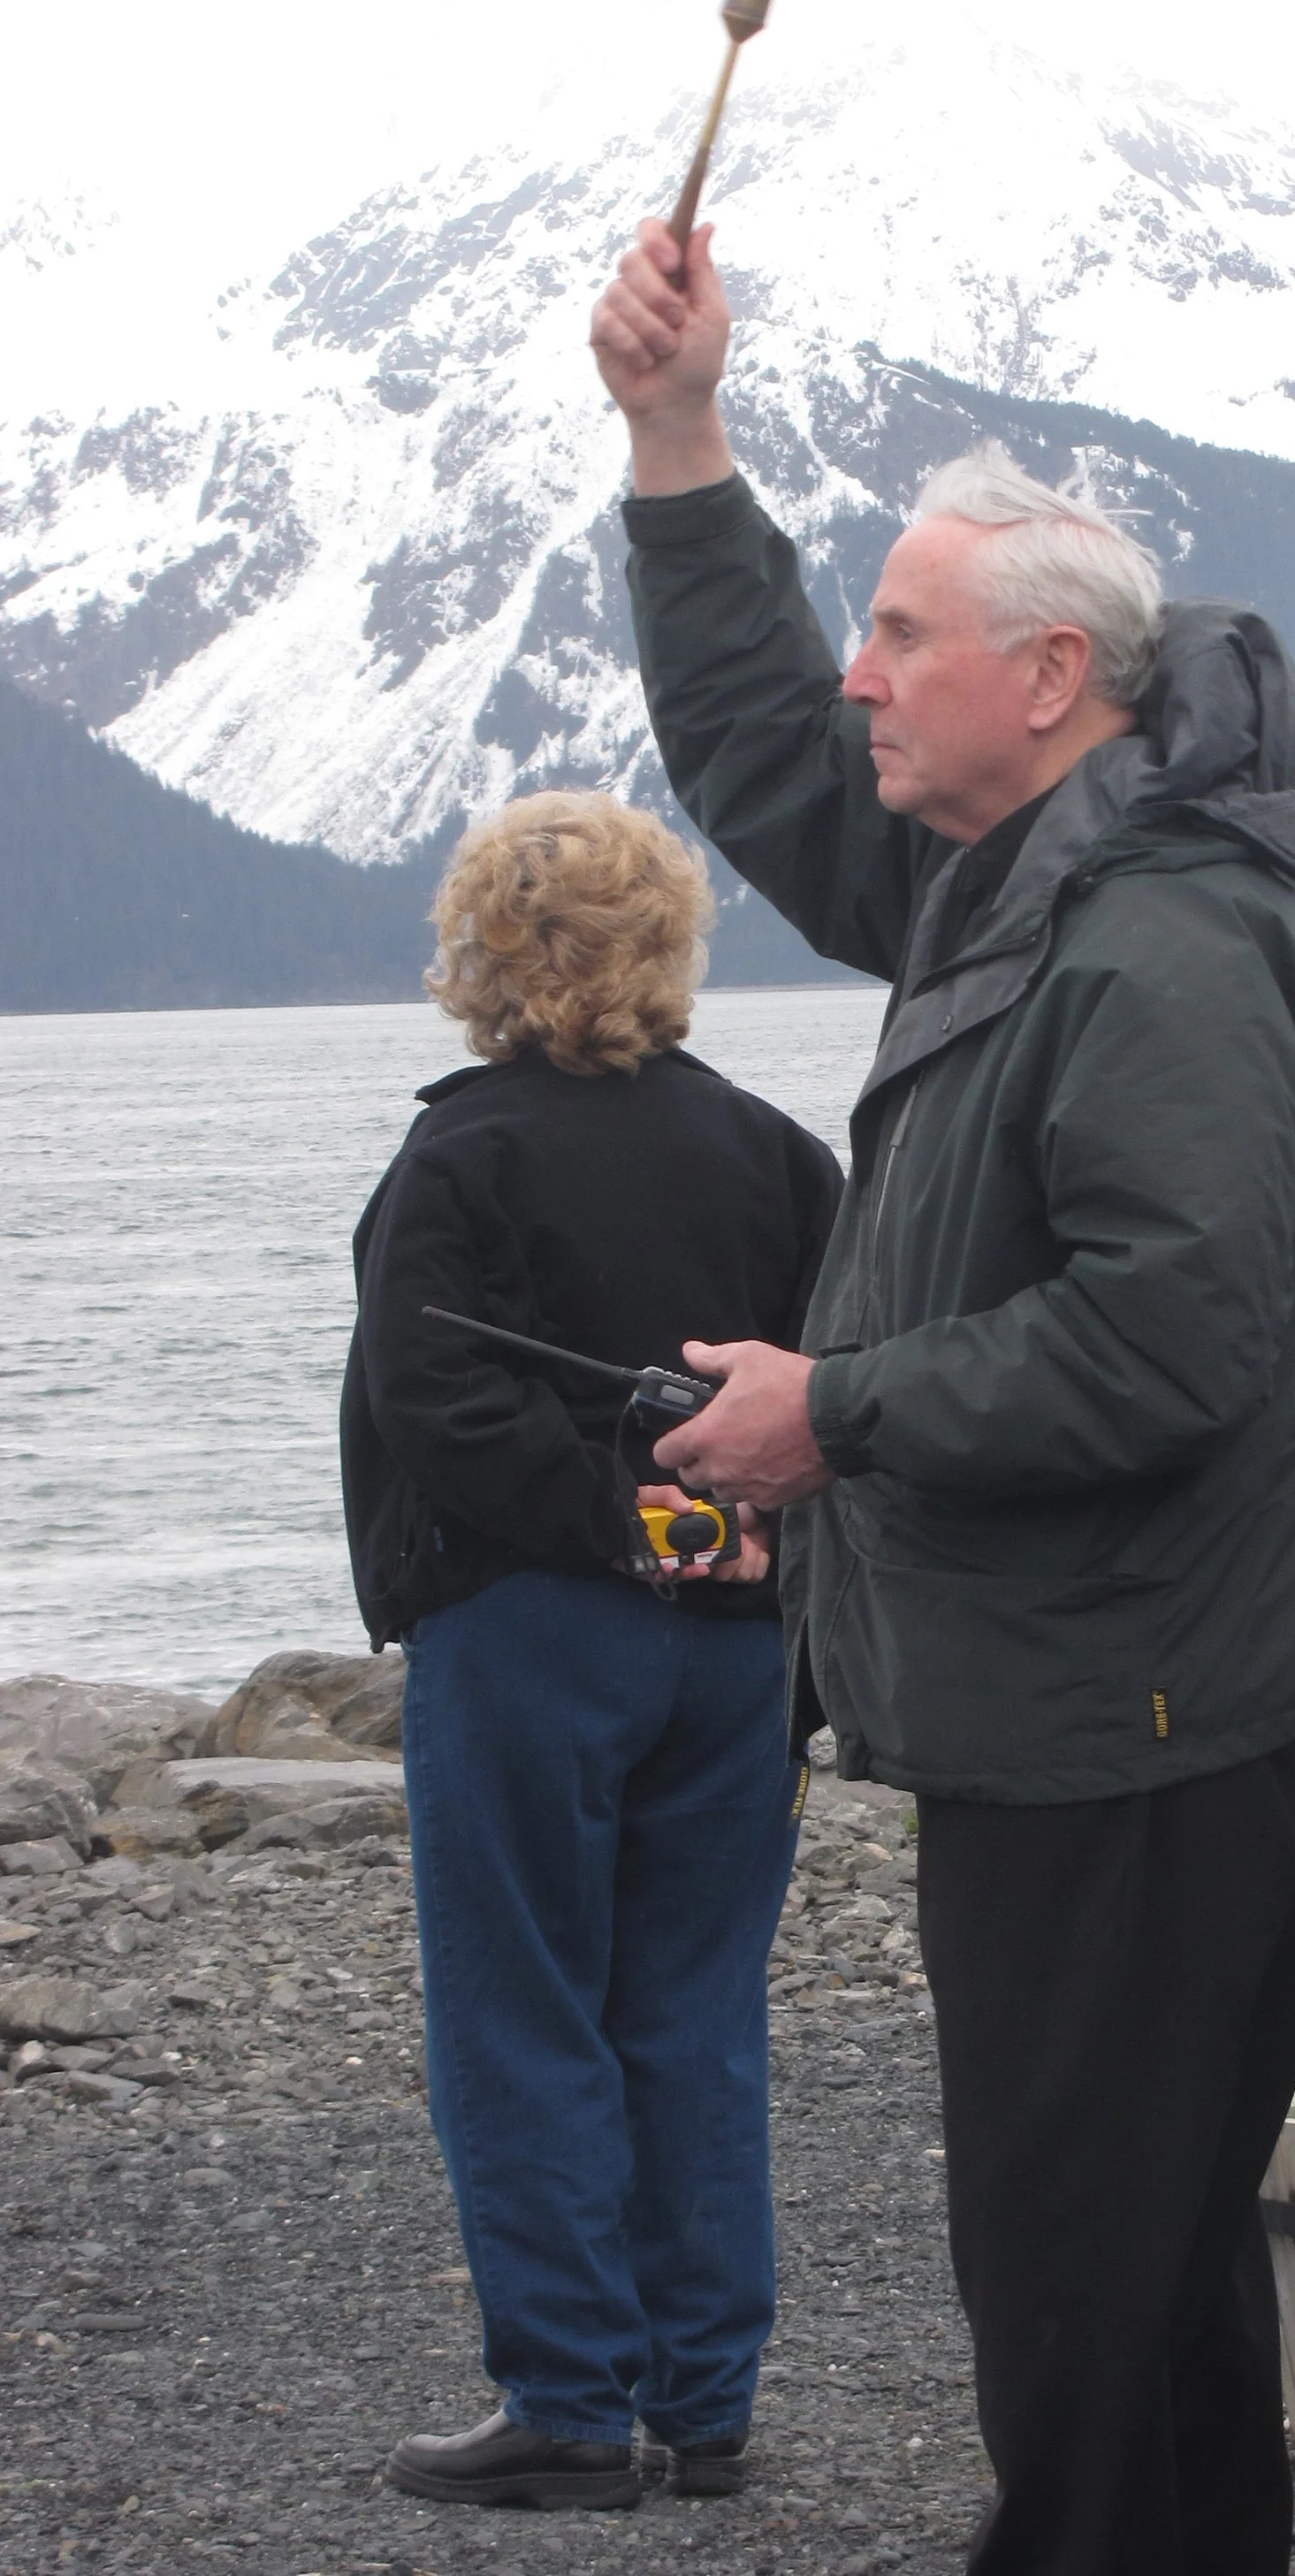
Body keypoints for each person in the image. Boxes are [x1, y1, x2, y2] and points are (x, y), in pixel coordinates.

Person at [588, 217, 1295, 2576]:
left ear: (1048, 676)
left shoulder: (1158, 934)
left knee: (1073, 2272)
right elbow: (755, 745)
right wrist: (675, 440)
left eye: (901, 637)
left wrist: (832, 1411)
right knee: (1130, 2271)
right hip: (1096, 1703)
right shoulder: (1019, 880)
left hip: (1146, 1719)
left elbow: (1171, 1336)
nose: (860, 675)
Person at [340, 790, 843, 2511]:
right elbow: (843, 1379)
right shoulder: (775, 1152)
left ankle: (566, 2399)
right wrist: (716, 1531)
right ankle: (702, 2405)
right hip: (738, 1644)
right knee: (692, 2010)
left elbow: (433, 1401)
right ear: (668, 947)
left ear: (479, 952)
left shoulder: (458, 1155)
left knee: (523, 2005)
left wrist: (604, 1512)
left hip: (532, 1630)